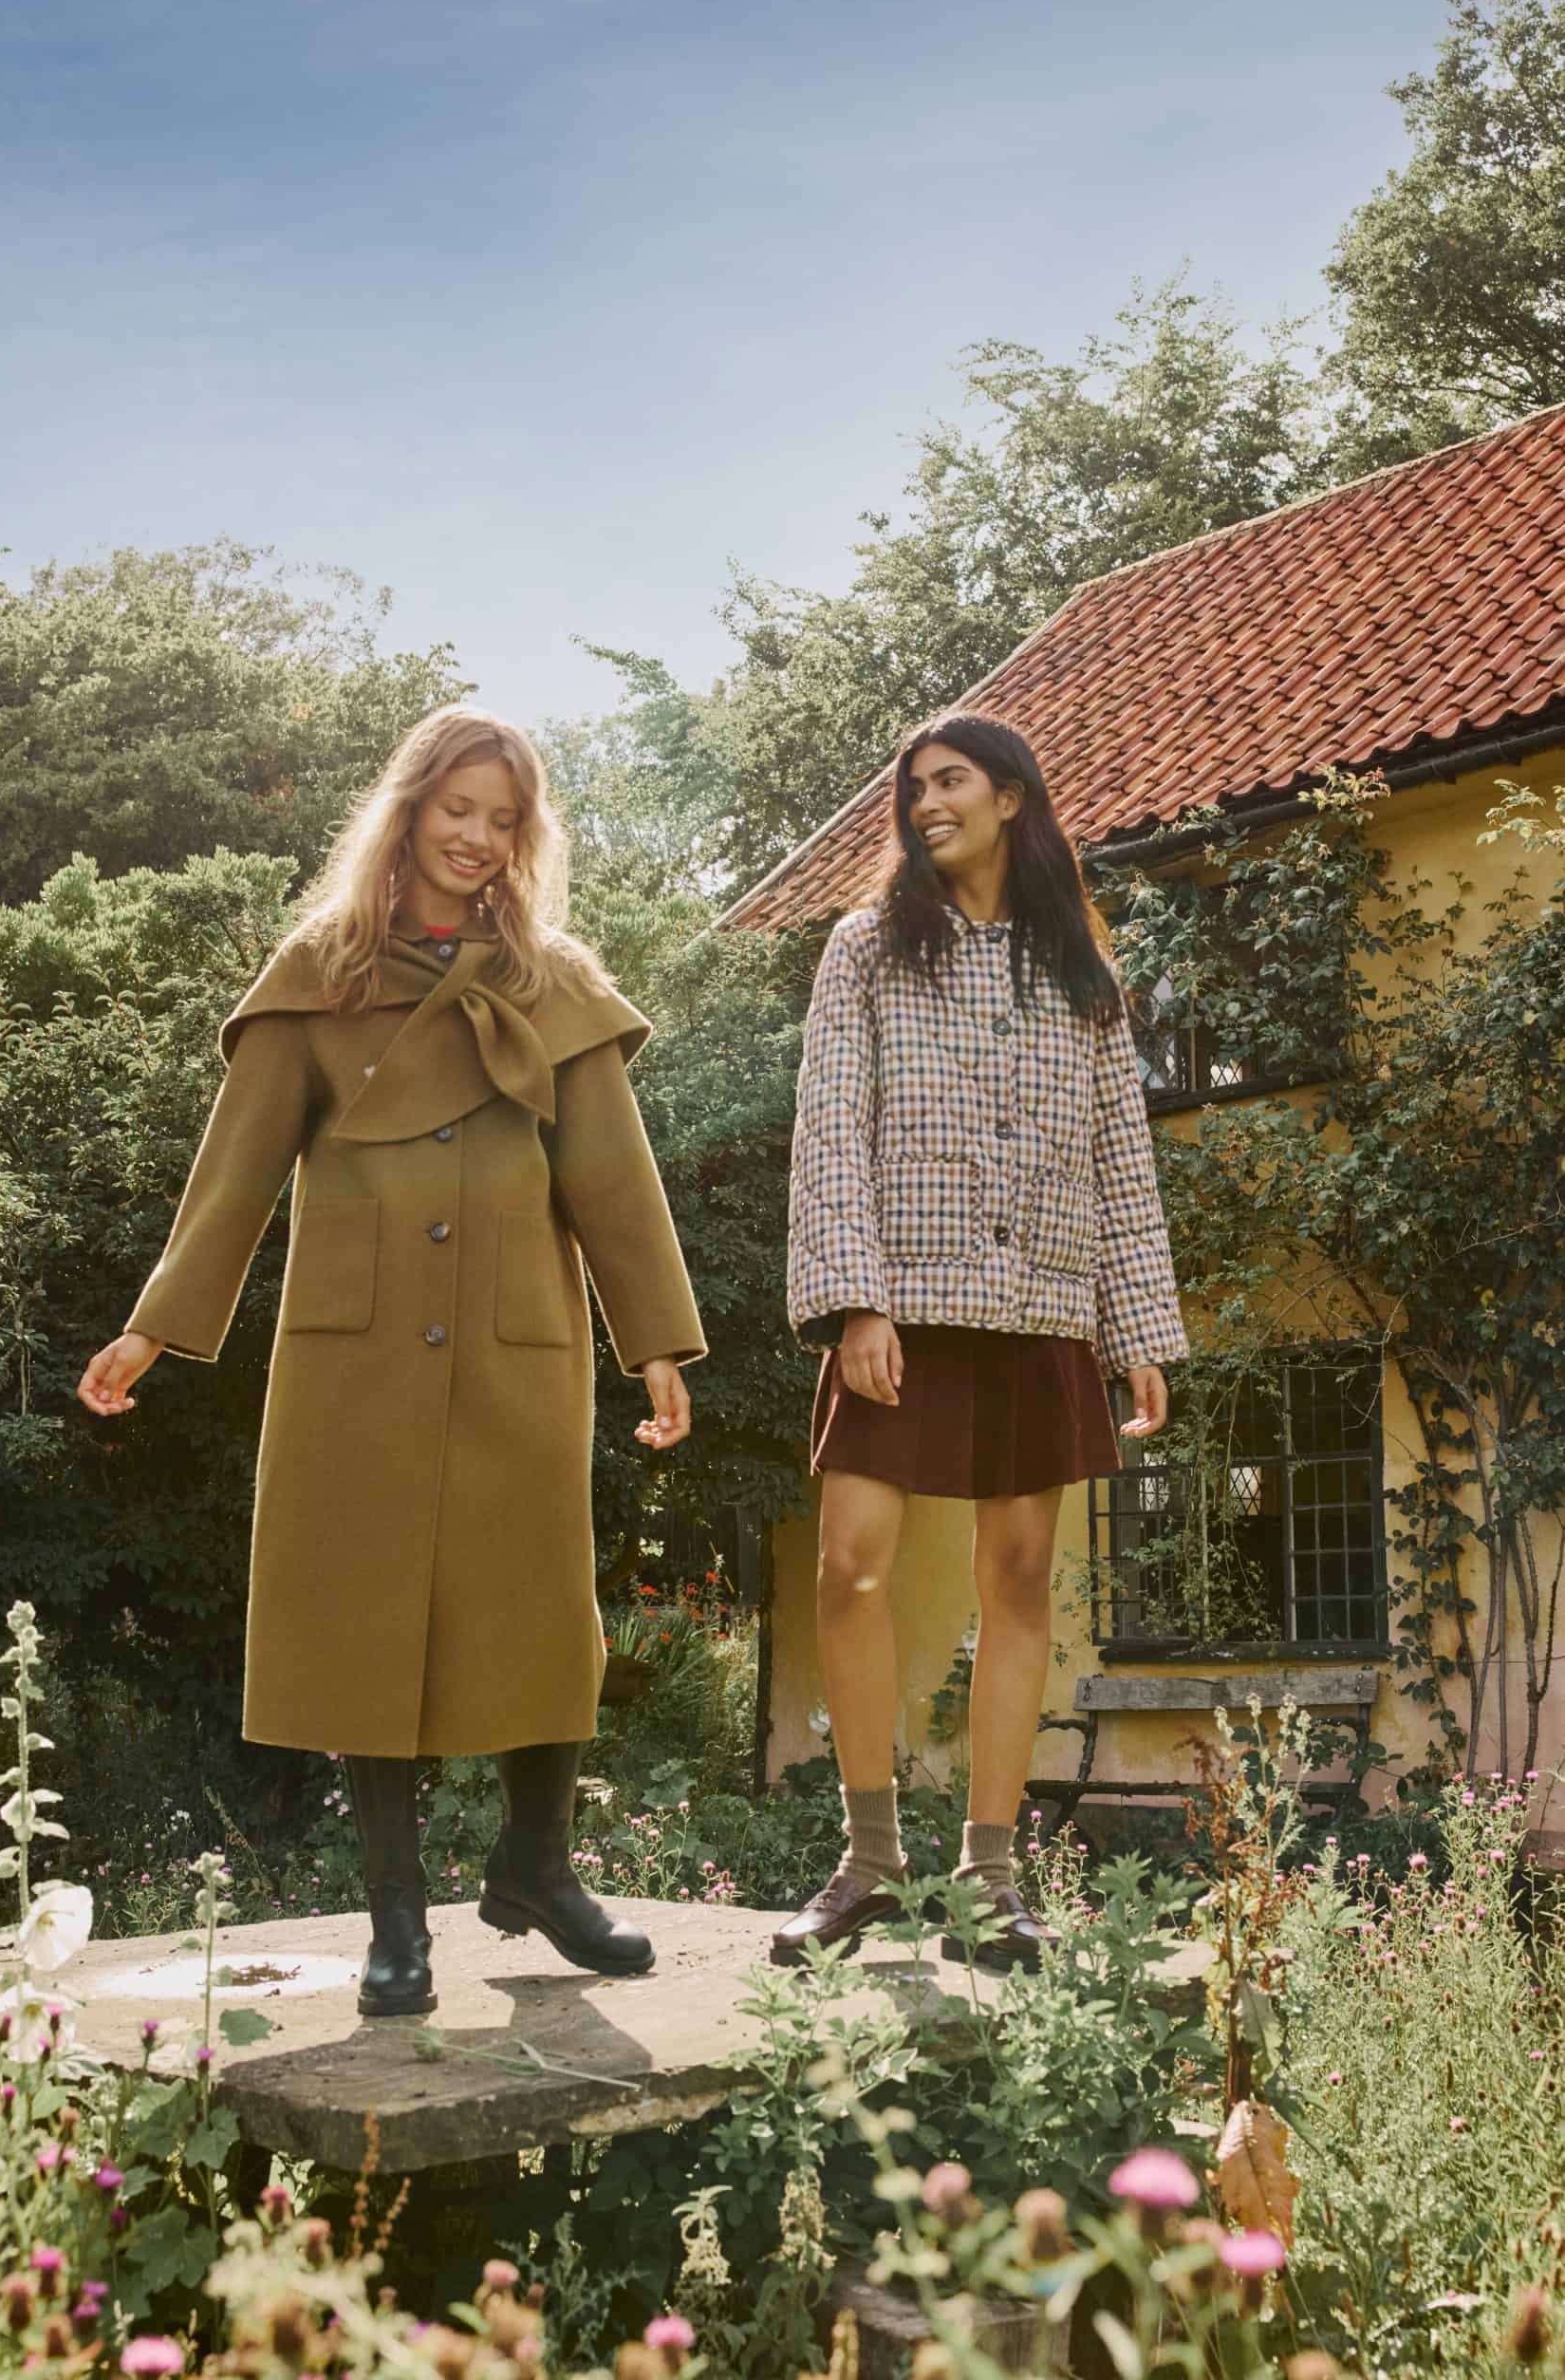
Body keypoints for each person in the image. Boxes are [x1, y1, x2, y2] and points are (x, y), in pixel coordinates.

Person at [78, 705, 704, 2014]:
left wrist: (655, 1342)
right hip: (353, 1354)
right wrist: (153, 1324)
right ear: (409, 810)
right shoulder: (321, 969)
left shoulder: (553, 981)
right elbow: (237, 1171)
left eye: (503, 820)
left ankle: (537, 1866)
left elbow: (612, 1177)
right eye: (457, 809)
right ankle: (398, 1921)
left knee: (542, 1609)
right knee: (362, 1620)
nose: (477, 838)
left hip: (518, 1339)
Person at [774, 711, 1186, 1968]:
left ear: (1011, 797)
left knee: (1016, 1585)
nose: (925, 804)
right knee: (851, 1567)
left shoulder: (1080, 968)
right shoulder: (866, 947)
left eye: (949, 781)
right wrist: (856, 1300)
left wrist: (1139, 1329)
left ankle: (992, 1879)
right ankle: (870, 1862)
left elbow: (1122, 1155)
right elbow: (831, 1125)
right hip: (901, 1301)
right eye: (913, 789)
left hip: (1043, 1307)